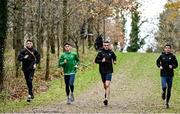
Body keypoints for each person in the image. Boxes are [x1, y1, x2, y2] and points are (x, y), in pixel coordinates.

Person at [156, 44, 178, 108]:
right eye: (166, 48)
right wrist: (159, 66)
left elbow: (176, 64)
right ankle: (163, 93)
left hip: (170, 75)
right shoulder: (161, 56)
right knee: (164, 86)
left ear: (170, 49)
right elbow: (157, 62)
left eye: (169, 48)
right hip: (163, 74)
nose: (167, 49)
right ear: (164, 49)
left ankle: (167, 103)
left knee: (169, 90)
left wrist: (172, 66)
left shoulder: (173, 56)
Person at [95, 41, 117, 106]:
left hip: (109, 71)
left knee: (107, 84)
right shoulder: (100, 53)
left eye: (107, 45)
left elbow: (114, 57)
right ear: (103, 46)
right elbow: (96, 61)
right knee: (105, 85)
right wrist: (101, 61)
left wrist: (115, 61)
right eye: (105, 45)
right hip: (102, 71)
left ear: (109, 46)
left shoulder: (111, 52)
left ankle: (106, 99)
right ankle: (106, 94)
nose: (106, 46)